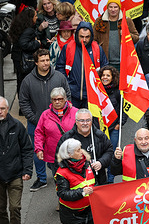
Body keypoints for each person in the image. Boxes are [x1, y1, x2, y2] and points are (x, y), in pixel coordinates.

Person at [19, 48, 71, 191]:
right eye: (42, 60)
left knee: (57, 147)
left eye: (47, 60)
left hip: (57, 123)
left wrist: (64, 115)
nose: (46, 63)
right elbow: (23, 101)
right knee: (38, 150)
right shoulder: (27, 81)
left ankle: (60, 173)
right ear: (36, 62)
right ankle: (41, 178)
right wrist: (33, 118)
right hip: (35, 123)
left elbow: (67, 96)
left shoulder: (59, 77)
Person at [0, 96, 33, 224]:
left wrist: (27, 170)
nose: (0, 111)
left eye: (2, 108)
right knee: (0, 210)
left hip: (15, 175)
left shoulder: (17, 126)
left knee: (15, 208)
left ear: (7, 109)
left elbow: (27, 149)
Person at [56, 22, 109, 108]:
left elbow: (105, 68)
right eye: (82, 36)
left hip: (91, 96)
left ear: (91, 36)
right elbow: (60, 68)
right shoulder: (68, 48)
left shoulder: (98, 49)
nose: (84, 40)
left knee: (88, 121)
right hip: (72, 95)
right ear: (77, 35)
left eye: (87, 37)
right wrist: (67, 86)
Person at [55, 138, 96, 224]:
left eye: (80, 149)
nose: (81, 152)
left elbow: (95, 182)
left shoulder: (87, 164)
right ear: (69, 154)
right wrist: (82, 192)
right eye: (78, 150)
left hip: (89, 209)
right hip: (71, 214)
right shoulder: (61, 173)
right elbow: (63, 194)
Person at [56, 109, 113, 185]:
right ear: (76, 122)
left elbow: (109, 150)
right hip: (75, 183)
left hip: (99, 179)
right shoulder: (67, 139)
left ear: (92, 121)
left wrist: (101, 162)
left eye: (88, 120)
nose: (85, 123)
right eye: (82, 121)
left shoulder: (100, 136)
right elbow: (59, 160)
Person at [34, 87, 78, 180]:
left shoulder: (76, 113)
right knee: (60, 183)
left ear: (65, 99)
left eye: (60, 99)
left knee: (74, 182)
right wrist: (39, 149)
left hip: (73, 155)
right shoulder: (45, 115)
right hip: (54, 156)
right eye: (54, 99)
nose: (57, 102)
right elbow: (39, 133)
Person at [93, 0, 139, 70]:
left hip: (123, 62)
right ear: (107, 8)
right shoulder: (99, 21)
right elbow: (94, 39)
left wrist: (127, 34)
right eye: (110, 7)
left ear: (119, 8)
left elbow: (136, 38)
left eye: (115, 7)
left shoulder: (127, 21)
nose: (113, 10)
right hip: (105, 61)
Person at [8, 7, 41, 95]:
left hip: (17, 58)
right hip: (24, 61)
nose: (36, 17)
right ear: (30, 18)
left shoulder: (20, 26)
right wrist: (37, 43)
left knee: (20, 81)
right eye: (35, 16)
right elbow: (24, 44)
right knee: (25, 82)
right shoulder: (29, 30)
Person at [98, 66, 127, 158]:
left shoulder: (118, 91)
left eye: (108, 75)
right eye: (103, 75)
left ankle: (111, 173)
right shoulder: (96, 90)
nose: (105, 77)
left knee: (112, 152)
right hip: (100, 127)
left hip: (114, 127)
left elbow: (124, 110)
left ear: (113, 77)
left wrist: (119, 124)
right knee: (100, 152)